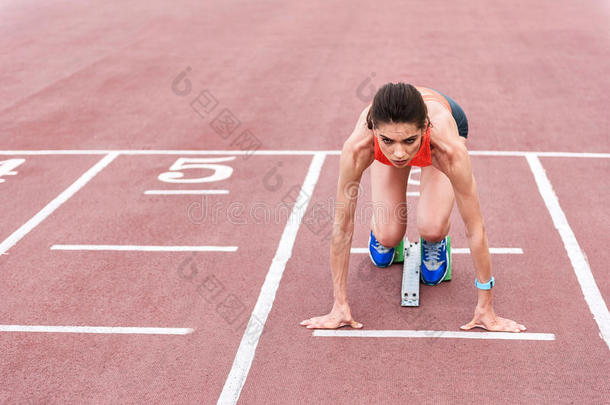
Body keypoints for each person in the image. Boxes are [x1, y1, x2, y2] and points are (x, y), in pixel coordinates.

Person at [300, 82, 526, 333]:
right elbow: (342, 226)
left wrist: (486, 307)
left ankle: (436, 243)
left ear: (424, 128)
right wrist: (338, 305)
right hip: (399, 132)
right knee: (389, 234)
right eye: (387, 141)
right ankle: (382, 234)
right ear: (374, 130)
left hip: (443, 126)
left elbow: (475, 228)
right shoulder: (358, 147)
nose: (398, 153)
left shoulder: (449, 150)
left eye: (409, 141)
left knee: (432, 227)